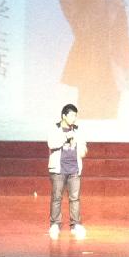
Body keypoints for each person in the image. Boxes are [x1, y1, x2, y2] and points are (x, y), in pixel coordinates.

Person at [47, 103, 88, 240]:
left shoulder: (78, 130)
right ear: (64, 116)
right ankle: (55, 224)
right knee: (57, 197)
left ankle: (75, 224)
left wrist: (83, 150)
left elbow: (83, 146)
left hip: (74, 168)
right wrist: (66, 137)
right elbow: (51, 144)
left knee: (75, 198)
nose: (74, 118)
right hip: (59, 169)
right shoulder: (55, 129)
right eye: (71, 115)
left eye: (75, 115)